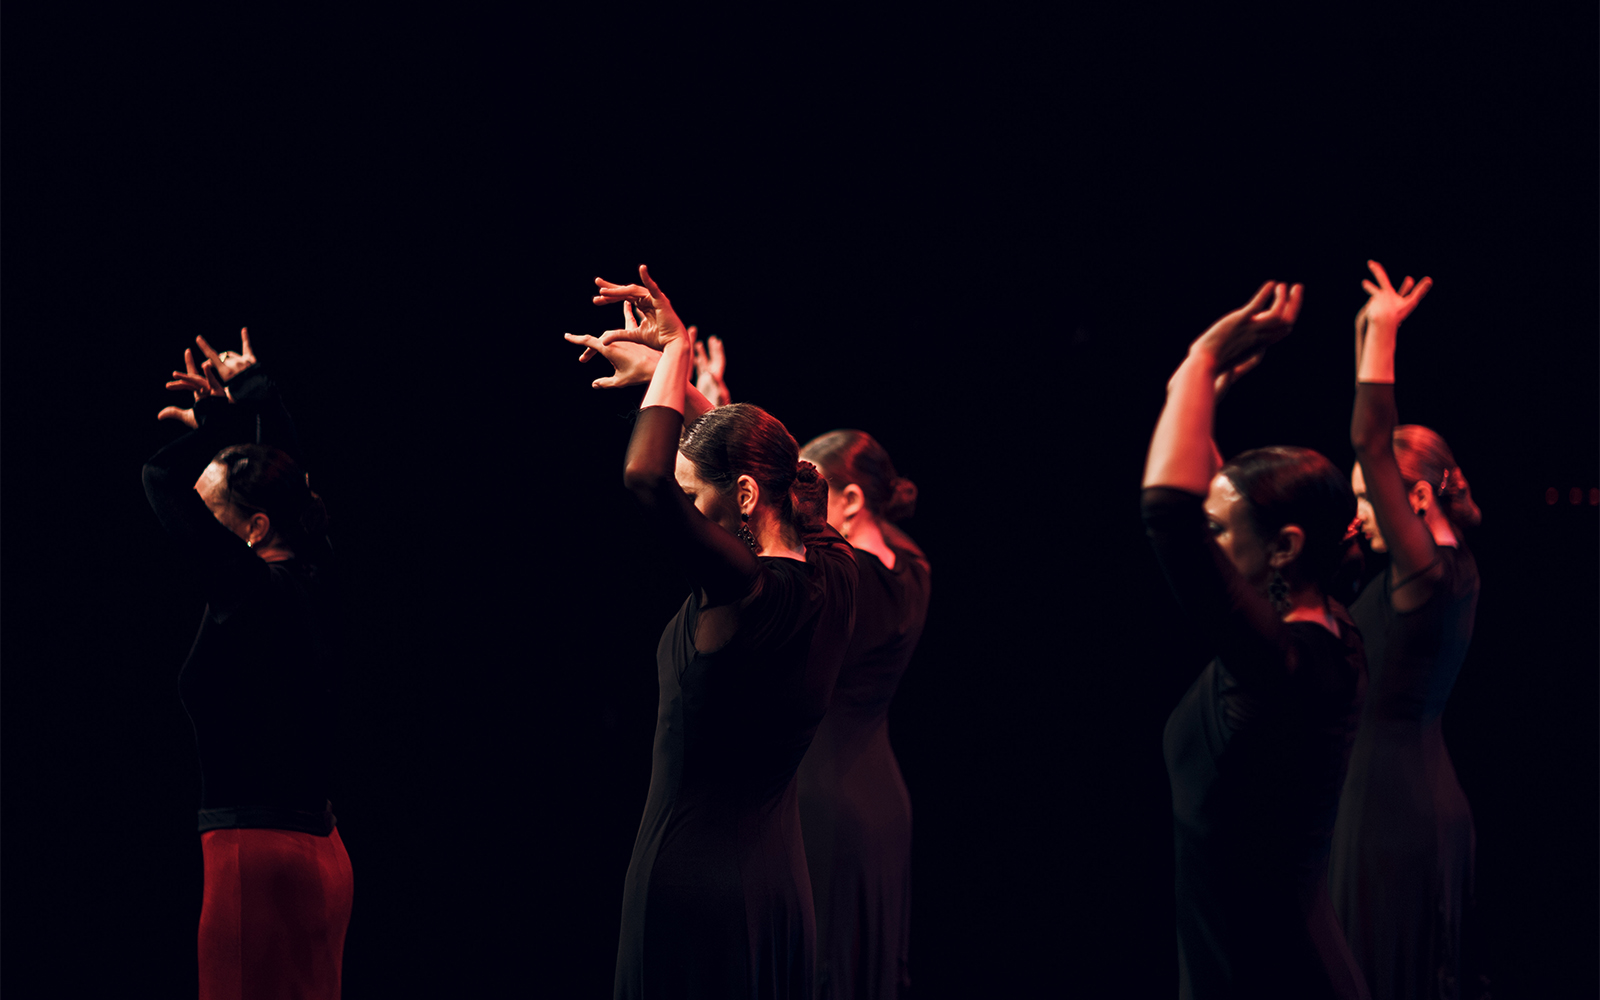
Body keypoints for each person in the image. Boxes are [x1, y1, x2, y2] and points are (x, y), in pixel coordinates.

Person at [583, 267, 858, 999]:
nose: (684, 508)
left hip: (689, 891)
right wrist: (679, 391)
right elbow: (777, 470)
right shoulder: (836, 571)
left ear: (741, 496)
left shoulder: (745, 591)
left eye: (693, 496)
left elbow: (644, 478)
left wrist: (675, 354)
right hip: (777, 890)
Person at [1141, 282, 1370, 998]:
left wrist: (1201, 358)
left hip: (1269, 973)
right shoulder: (1325, 629)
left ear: (1285, 547)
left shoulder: (1284, 663)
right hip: (1265, 958)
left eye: (1219, 532)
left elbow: (1170, 510)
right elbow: (1199, 494)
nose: (1208, 544)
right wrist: (1197, 387)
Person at [143, 330, 351, 1000]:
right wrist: (254, 393)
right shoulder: (314, 573)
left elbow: (157, 480)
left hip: (254, 860)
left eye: (212, 514)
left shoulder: (250, 592)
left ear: (256, 528)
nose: (200, 527)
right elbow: (288, 475)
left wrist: (215, 421)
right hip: (322, 854)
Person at [1329, 263, 1486, 1000]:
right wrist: (1366, 328)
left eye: (1371, 498)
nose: (1360, 513)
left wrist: (1385, 333)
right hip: (1408, 799)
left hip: (1391, 814)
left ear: (1416, 497)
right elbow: (1368, 438)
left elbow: (1370, 436)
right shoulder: (1443, 572)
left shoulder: (1429, 576)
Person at [795, 430, 929, 1000]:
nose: (799, 503)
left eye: (813, 488)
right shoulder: (914, 567)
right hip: (883, 803)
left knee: (825, 967)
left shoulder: (844, 578)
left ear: (849, 499)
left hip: (826, 802)